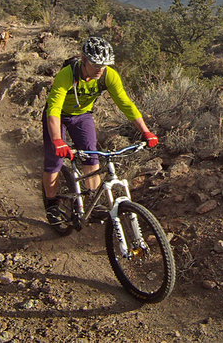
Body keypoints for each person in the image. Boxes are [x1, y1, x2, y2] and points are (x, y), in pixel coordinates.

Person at [42, 36, 158, 226]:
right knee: (54, 160)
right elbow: (54, 107)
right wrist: (57, 139)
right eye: (96, 64)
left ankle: (93, 206)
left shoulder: (107, 75)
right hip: (58, 116)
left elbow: (125, 103)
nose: (100, 70)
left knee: (92, 157)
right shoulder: (67, 74)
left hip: (82, 115)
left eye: (103, 65)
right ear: (83, 60)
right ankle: (52, 204)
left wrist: (146, 131)